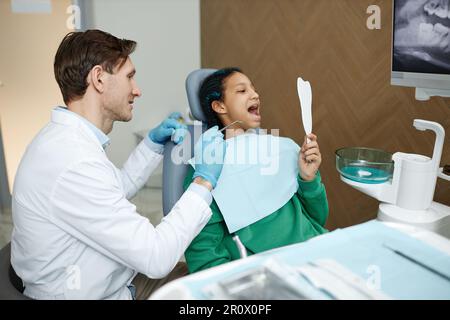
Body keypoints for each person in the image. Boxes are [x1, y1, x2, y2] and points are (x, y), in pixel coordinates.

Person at [11, 29, 226, 300]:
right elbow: (156, 256)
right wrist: (203, 182)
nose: (137, 90)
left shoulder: (63, 140)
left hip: (112, 282)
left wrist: (151, 145)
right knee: (218, 292)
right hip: (100, 294)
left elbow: (112, 191)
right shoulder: (74, 161)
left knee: (210, 279)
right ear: (99, 78)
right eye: (130, 77)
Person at [183, 67, 329, 273]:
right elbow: (203, 250)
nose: (255, 94)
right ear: (219, 105)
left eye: (254, 89)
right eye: (242, 91)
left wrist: (308, 178)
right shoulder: (206, 168)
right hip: (269, 275)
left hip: (318, 254)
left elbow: (317, 220)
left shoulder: (284, 149)